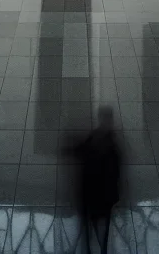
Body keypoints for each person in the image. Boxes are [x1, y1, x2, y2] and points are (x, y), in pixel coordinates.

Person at [66, 106, 122, 254]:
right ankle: (99, 248)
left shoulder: (99, 140)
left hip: (93, 192)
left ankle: (94, 248)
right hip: (98, 193)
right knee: (99, 228)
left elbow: (83, 152)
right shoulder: (109, 142)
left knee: (91, 227)